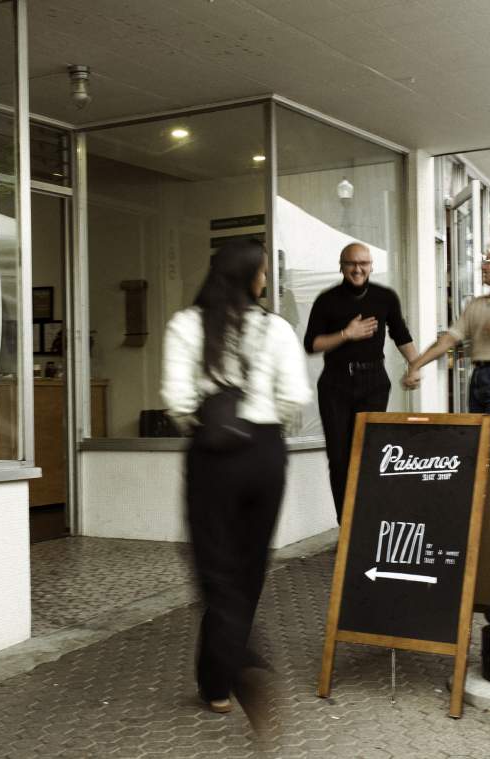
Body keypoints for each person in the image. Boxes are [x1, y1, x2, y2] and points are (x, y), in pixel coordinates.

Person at [161, 239, 311, 730]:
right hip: (266, 454)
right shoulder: (277, 328)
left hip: (212, 455)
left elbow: (178, 400)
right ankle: (216, 684)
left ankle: (243, 668)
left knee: (215, 572)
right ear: (250, 277)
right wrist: (263, 429)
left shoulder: (186, 325)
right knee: (247, 571)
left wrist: (209, 428)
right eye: (263, 272)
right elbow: (293, 396)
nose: (265, 280)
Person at [304, 242, 418, 523]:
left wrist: (415, 365)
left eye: (363, 263)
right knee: (340, 459)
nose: (358, 269)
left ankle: (368, 522)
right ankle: (348, 526)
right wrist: (346, 334)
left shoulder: (385, 297)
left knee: (369, 455)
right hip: (335, 384)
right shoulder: (326, 300)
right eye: (351, 263)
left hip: (374, 381)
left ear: (371, 266)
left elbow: (400, 335)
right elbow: (312, 344)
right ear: (341, 266)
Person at [404, 241, 490, 504]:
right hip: (479, 379)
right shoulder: (476, 305)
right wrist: (416, 364)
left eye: (489, 262)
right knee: (481, 457)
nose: (482, 266)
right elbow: (448, 339)